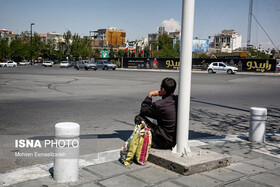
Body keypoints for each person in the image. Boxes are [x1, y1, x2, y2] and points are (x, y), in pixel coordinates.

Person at [135, 77, 178, 149]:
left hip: (164, 141)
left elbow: (143, 110)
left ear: (163, 90)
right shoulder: (178, 99)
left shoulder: (159, 104)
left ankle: (152, 142)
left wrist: (150, 95)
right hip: (177, 140)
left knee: (139, 118)